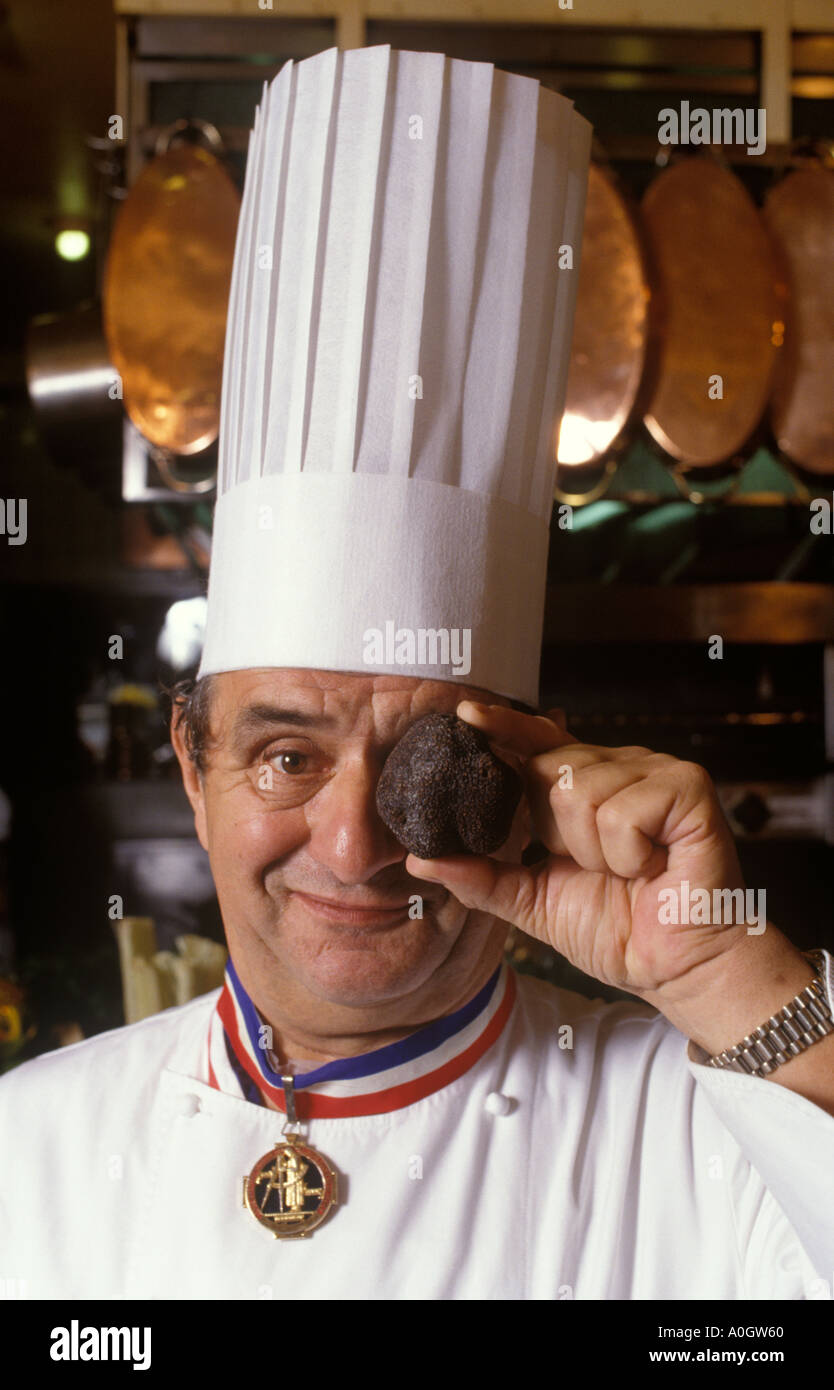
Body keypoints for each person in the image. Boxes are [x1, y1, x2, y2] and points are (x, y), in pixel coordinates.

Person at [1, 45, 832, 1301]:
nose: (352, 846)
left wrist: (730, 975)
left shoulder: (707, 1134)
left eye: (422, 765)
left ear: (530, 773)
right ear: (194, 762)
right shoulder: (31, 1152)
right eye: (287, 754)